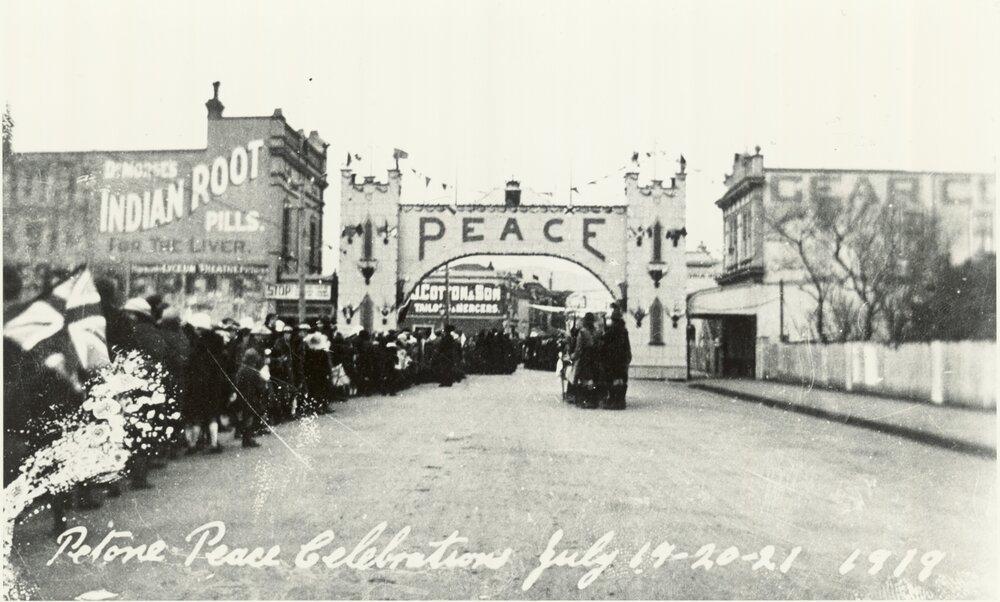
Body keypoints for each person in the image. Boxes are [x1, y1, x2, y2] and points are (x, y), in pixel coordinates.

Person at [185, 312, 228, 454]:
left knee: (197, 414)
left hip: (197, 384)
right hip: (214, 383)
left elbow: (190, 364)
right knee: (212, 414)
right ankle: (214, 443)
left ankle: (193, 444)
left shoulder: (195, 343)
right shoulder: (218, 341)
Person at [233, 348, 267, 448]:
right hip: (251, 398)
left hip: (242, 397)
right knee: (250, 419)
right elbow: (260, 387)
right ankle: (248, 440)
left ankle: (246, 439)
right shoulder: (253, 371)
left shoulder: (241, 369)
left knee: (246, 419)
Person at [601, 308, 632, 410]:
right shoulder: (624, 330)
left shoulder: (612, 330)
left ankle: (613, 401)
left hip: (613, 359)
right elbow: (627, 345)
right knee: (621, 380)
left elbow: (604, 341)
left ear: (614, 320)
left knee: (612, 379)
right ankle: (621, 401)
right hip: (622, 359)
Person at [572, 313, 601, 409]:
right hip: (596, 358)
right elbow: (600, 344)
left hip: (586, 357)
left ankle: (586, 400)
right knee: (593, 378)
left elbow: (578, 348)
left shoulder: (582, 332)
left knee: (585, 379)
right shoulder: (597, 332)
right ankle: (594, 400)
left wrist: (574, 356)